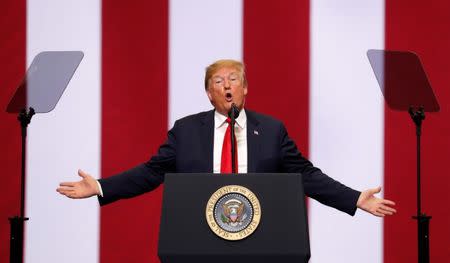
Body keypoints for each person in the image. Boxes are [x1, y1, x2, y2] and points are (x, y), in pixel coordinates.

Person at [57, 59, 396, 217]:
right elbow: (150, 173)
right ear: (208, 93)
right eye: (218, 81)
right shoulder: (186, 131)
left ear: (245, 88)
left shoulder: (272, 130)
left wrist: (354, 199)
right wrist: (100, 186)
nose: (227, 85)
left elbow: (306, 176)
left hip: (260, 239)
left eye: (234, 79)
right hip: (199, 239)